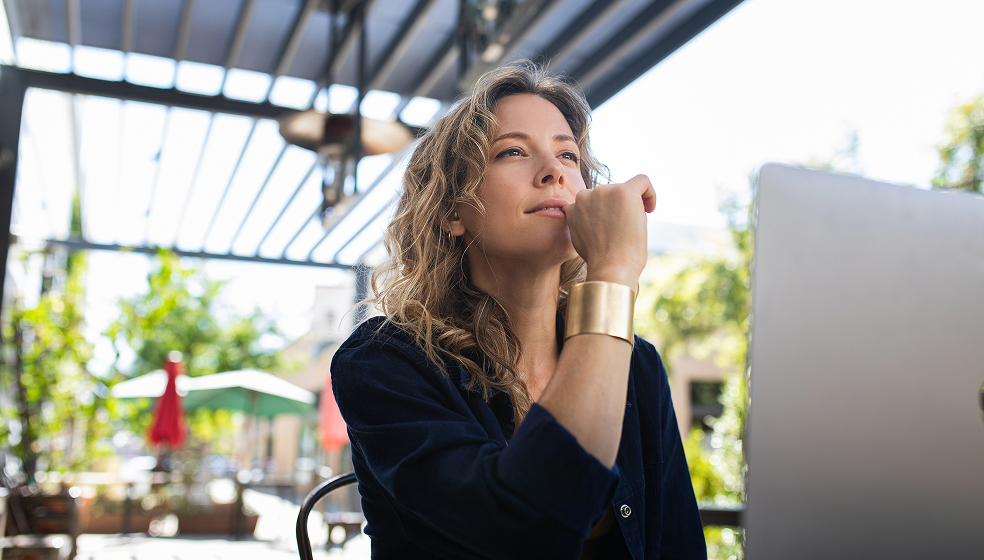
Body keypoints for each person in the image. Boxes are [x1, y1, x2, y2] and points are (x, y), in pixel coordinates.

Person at [331, 62, 706, 559]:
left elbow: (678, 546)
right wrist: (613, 273)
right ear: (450, 210)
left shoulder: (637, 366)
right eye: (512, 151)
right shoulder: (383, 361)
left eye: (568, 155)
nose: (554, 170)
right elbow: (524, 532)